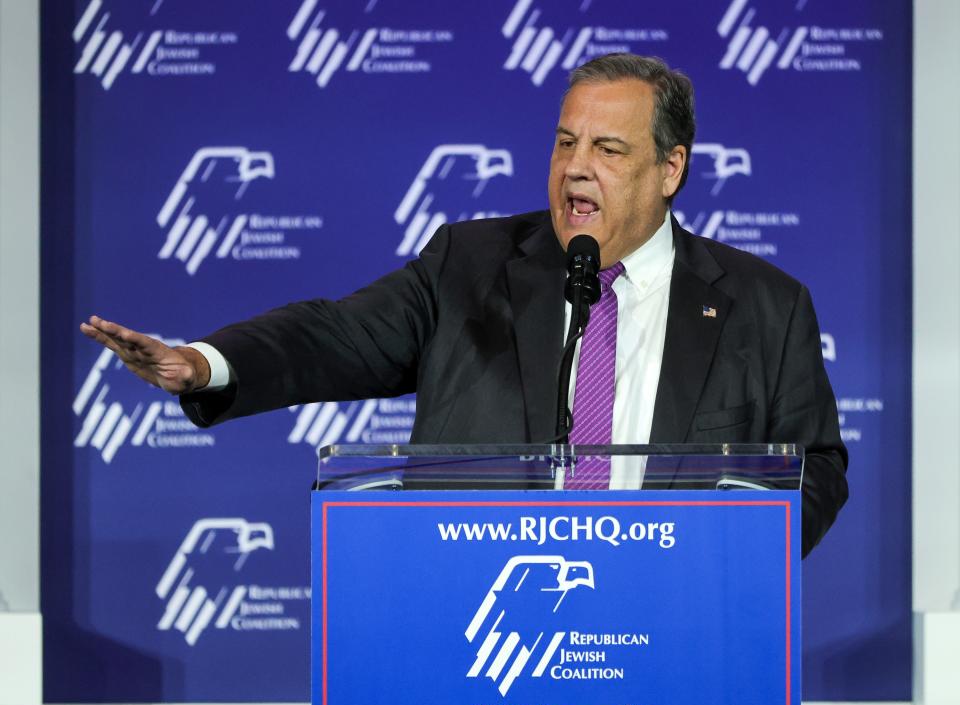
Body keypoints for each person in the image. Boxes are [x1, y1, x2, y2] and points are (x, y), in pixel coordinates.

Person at [81, 53, 847, 557]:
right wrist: (206, 363)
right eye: (564, 143)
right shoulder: (471, 266)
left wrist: (740, 566)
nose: (576, 169)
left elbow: (816, 468)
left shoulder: (764, 307)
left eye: (607, 151)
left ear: (670, 168)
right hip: (477, 631)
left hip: (671, 642)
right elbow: (336, 335)